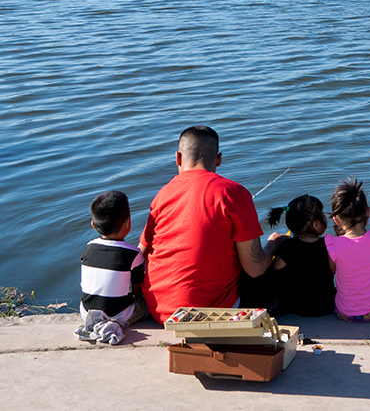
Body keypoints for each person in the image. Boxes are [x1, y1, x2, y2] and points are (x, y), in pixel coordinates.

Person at [138, 126, 282, 324]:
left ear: (178, 158)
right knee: (272, 268)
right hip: (209, 314)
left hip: (160, 311)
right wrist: (273, 244)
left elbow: (141, 253)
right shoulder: (234, 192)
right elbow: (254, 267)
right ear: (219, 159)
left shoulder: (162, 194)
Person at [240, 195, 335, 316]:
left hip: (296, 306)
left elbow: (277, 267)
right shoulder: (328, 244)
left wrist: (275, 245)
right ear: (316, 224)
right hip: (326, 305)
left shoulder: (289, 246)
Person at [77, 191, 149, 341]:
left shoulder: (88, 247)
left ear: (94, 226)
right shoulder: (133, 254)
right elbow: (137, 290)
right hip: (118, 315)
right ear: (128, 223)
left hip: (86, 312)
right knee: (145, 303)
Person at [324, 178, 370, 322]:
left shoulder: (333, 244)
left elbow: (334, 269)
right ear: (368, 213)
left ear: (336, 220)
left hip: (345, 313)